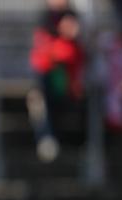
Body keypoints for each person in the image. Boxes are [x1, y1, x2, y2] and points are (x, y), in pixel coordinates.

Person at [29, 4, 85, 162]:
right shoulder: (44, 20)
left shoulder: (73, 16)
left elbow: (77, 54)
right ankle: (47, 138)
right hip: (49, 74)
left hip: (69, 78)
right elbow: (41, 55)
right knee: (41, 103)